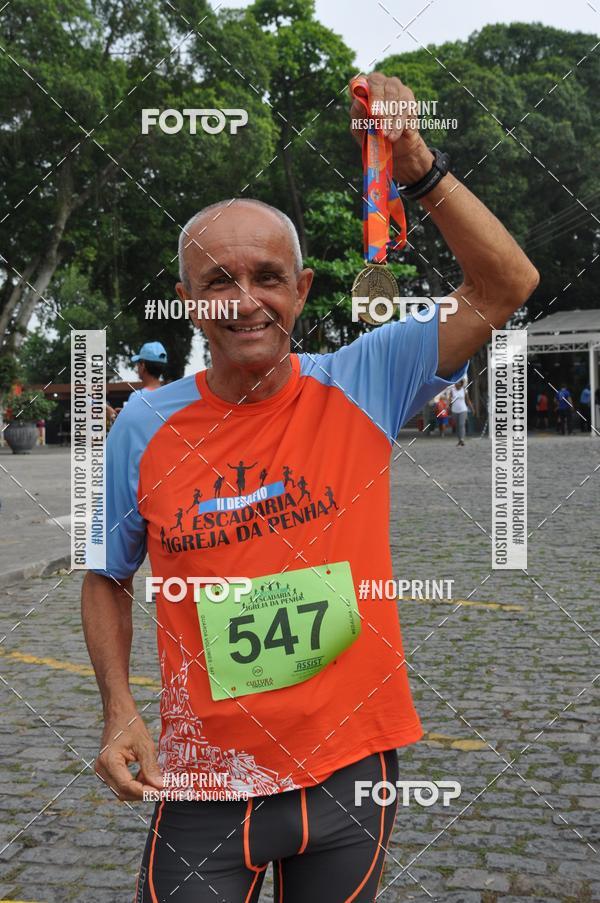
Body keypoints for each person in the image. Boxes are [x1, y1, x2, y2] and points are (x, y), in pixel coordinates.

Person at [82, 70, 539, 902]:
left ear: (303, 290)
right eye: (219, 281)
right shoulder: (143, 425)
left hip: (350, 771)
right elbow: (107, 575)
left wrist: (416, 162)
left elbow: (507, 283)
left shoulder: (367, 377)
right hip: (205, 781)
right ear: (187, 302)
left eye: (267, 276)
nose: (246, 300)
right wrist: (119, 709)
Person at [449, 378, 474, 446]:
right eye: (456, 383)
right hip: (454, 410)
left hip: (463, 410)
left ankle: (462, 439)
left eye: (459, 383)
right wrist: (448, 407)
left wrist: (472, 409)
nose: (457, 384)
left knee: (461, 424)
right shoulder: (452, 390)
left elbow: (468, 400)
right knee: (457, 426)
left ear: (461, 383)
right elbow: (449, 400)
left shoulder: (464, 390)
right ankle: (459, 439)